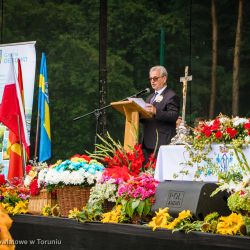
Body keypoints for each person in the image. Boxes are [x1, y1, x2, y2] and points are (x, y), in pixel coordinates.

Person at [141, 65, 180, 160]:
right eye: (150, 79)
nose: (152, 81)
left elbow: (173, 116)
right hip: (147, 142)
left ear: (164, 78)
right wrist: (140, 115)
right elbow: (148, 117)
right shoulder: (149, 97)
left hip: (161, 143)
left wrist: (156, 111)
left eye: (155, 78)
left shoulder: (171, 95)